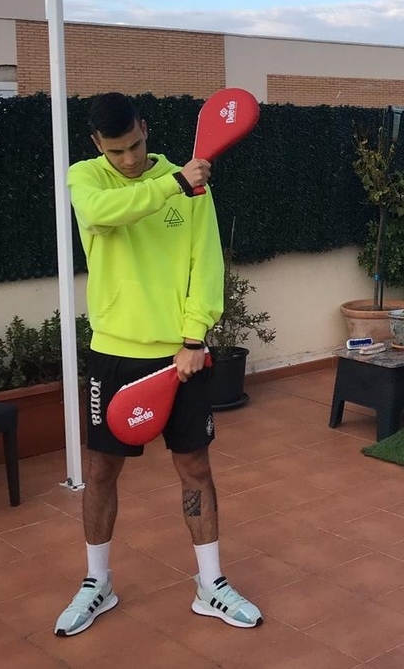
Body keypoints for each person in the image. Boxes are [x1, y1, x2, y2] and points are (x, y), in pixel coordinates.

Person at [55, 93, 262, 636]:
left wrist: (195, 337)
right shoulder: (87, 179)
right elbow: (102, 214)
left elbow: (206, 262)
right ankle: (97, 582)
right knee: (101, 470)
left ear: (146, 129)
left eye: (136, 145)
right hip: (113, 352)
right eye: (117, 150)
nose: (128, 159)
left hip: (180, 356)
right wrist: (174, 184)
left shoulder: (191, 183)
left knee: (195, 469)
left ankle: (210, 584)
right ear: (98, 144)